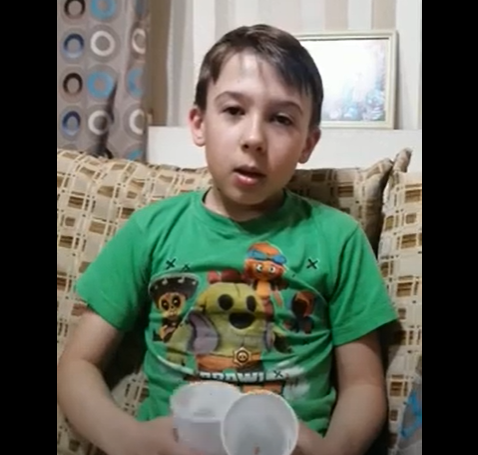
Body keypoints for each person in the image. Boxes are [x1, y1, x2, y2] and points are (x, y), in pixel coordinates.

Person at [57, 24, 397, 455]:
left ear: (307, 143)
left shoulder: (339, 238)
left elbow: (364, 385)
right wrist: (129, 439)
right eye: (234, 110)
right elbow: (76, 365)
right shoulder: (151, 229)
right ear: (199, 123)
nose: (254, 138)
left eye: (281, 119)